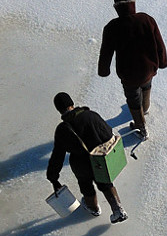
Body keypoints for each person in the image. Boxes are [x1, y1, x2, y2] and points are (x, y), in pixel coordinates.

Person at [47, 92, 128, 223]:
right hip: (99, 159)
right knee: (105, 182)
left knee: (86, 185)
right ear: (72, 104)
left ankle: (93, 208)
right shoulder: (91, 115)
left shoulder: (62, 129)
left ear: (59, 109)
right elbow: (108, 133)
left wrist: (53, 178)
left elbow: (58, 156)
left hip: (81, 165)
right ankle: (117, 209)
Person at [98, 0, 167, 140]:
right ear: (133, 4)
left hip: (129, 74)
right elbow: (159, 44)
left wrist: (103, 70)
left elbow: (106, 53)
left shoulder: (112, 28)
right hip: (149, 68)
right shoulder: (147, 19)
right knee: (146, 86)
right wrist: (162, 62)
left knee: (133, 98)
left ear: (116, 7)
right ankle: (145, 109)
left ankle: (141, 127)